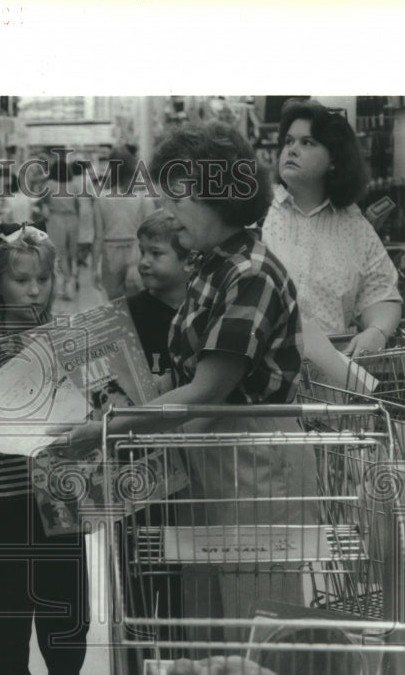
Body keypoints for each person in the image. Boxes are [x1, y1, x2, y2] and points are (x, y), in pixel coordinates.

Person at [63, 121, 318, 645]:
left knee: (257, 634)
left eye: (178, 197)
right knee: (212, 632)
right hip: (212, 464)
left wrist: (109, 426)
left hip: (255, 475)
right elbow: (188, 375)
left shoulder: (251, 274)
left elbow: (205, 390)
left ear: (216, 195)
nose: (169, 209)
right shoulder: (209, 266)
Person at [0, 223, 89, 675]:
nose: (35, 290)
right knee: (10, 614)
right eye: (21, 280)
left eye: (43, 279)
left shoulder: (60, 339)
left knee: (68, 612)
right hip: (8, 504)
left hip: (58, 498)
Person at [262, 99, 401, 355]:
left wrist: (375, 332)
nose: (291, 150)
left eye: (307, 143)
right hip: (259, 380)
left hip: (326, 383)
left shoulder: (355, 227)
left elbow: (381, 294)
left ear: (334, 160)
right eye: (288, 141)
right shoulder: (257, 209)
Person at [127, 209, 192, 384]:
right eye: (142, 252)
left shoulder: (199, 310)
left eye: (156, 253)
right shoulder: (129, 312)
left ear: (188, 261)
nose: (143, 262)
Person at [92, 146, 158, 300]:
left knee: (115, 304)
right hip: (138, 252)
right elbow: (152, 231)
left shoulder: (101, 198)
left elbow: (98, 237)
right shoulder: (144, 197)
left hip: (110, 253)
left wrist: (94, 268)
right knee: (138, 303)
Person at [42, 155, 81, 300]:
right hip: (72, 218)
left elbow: (43, 202)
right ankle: (73, 280)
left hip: (56, 219)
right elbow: (78, 206)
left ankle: (66, 283)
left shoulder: (49, 184)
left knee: (60, 254)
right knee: (73, 253)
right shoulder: (74, 185)